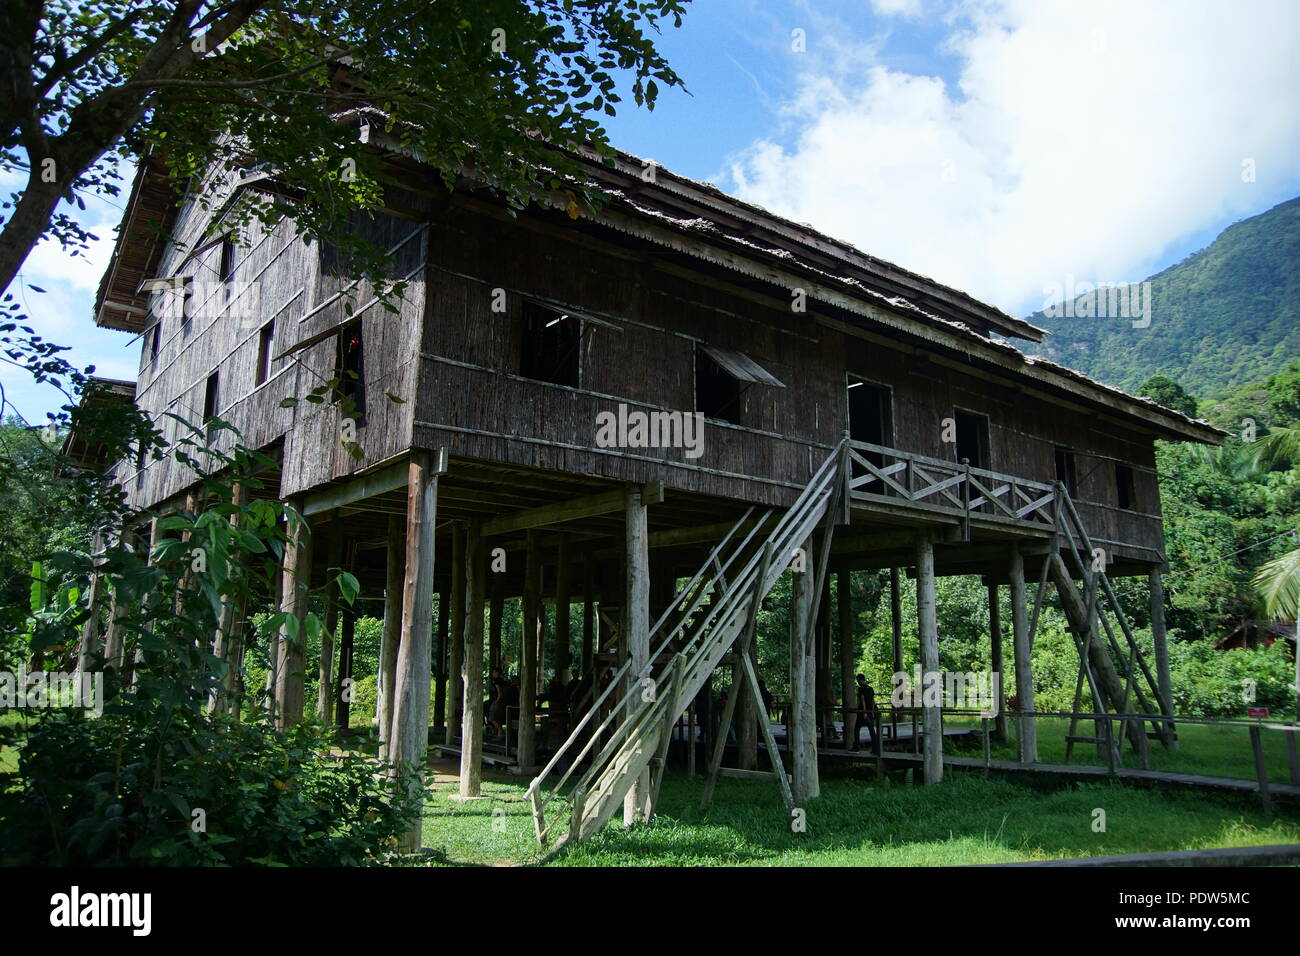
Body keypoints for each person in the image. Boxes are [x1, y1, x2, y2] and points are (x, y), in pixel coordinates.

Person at [852, 673, 877, 751]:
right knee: (871, 730)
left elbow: (862, 700)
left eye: (858, 680)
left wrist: (864, 712)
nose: (858, 682)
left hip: (862, 712)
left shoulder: (861, 689)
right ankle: (875, 747)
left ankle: (856, 747)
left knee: (856, 729)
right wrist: (872, 710)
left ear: (860, 680)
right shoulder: (870, 688)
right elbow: (873, 701)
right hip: (870, 711)